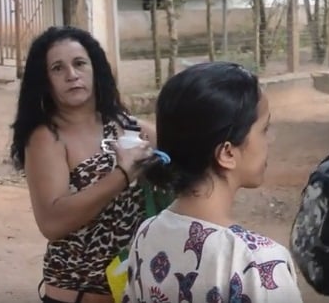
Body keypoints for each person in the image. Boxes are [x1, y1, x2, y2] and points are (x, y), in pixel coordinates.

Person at [125, 61, 304, 303]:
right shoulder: (258, 261)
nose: (269, 140)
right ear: (227, 153)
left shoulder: (146, 234)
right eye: (264, 129)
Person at [10, 26, 157, 303]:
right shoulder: (47, 137)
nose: (72, 75)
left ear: (95, 69)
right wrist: (122, 175)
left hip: (132, 291)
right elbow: (52, 223)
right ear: (45, 81)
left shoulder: (125, 125)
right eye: (57, 68)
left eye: (79, 63)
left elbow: (183, 153)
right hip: (76, 295)